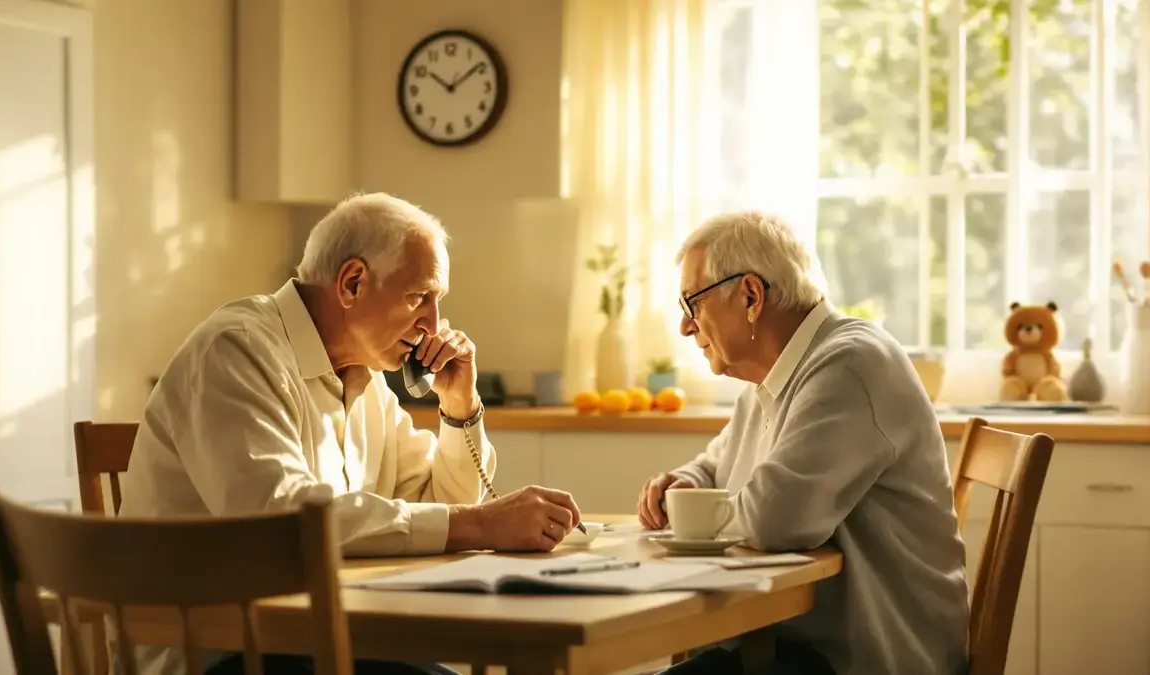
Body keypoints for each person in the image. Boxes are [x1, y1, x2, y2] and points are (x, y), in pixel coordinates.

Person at [117, 193, 582, 675]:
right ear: (352, 283)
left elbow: (442, 503)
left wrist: (458, 407)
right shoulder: (235, 349)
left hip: (317, 644)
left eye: (437, 302)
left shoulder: (365, 379)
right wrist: (481, 523)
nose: (433, 325)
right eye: (418, 297)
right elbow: (284, 520)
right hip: (221, 659)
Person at [638, 211, 969, 675]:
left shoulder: (849, 365)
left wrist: (691, 512)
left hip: (861, 662)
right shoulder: (774, 379)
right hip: (787, 653)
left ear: (750, 296)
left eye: (693, 303)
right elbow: (716, 466)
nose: (686, 326)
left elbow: (774, 518)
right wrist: (683, 483)